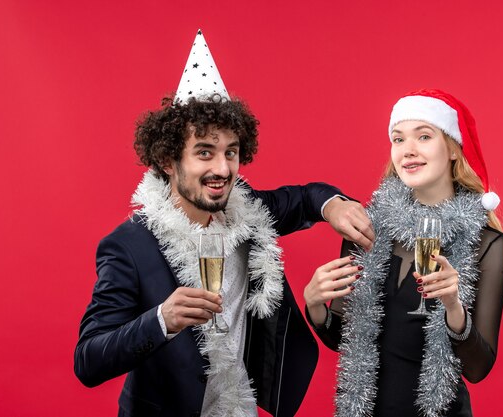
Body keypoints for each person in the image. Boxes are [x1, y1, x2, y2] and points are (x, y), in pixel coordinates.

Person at [74, 30, 374, 417]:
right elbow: (88, 360)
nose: (222, 169)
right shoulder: (130, 246)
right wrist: (161, 320)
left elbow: (305, 198)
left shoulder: (245, 213)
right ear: (168, 161)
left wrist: (335, 207)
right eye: (204, 152)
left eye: (230, 153)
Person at [304, 89, 503, 417]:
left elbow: (477, 368)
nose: (408, 151)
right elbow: (344, 337)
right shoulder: (365, 229)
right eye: (398, 139)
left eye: (424, 136)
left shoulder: (486, 244)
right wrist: (315, 305)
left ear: (453, 150)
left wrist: (454, 307)